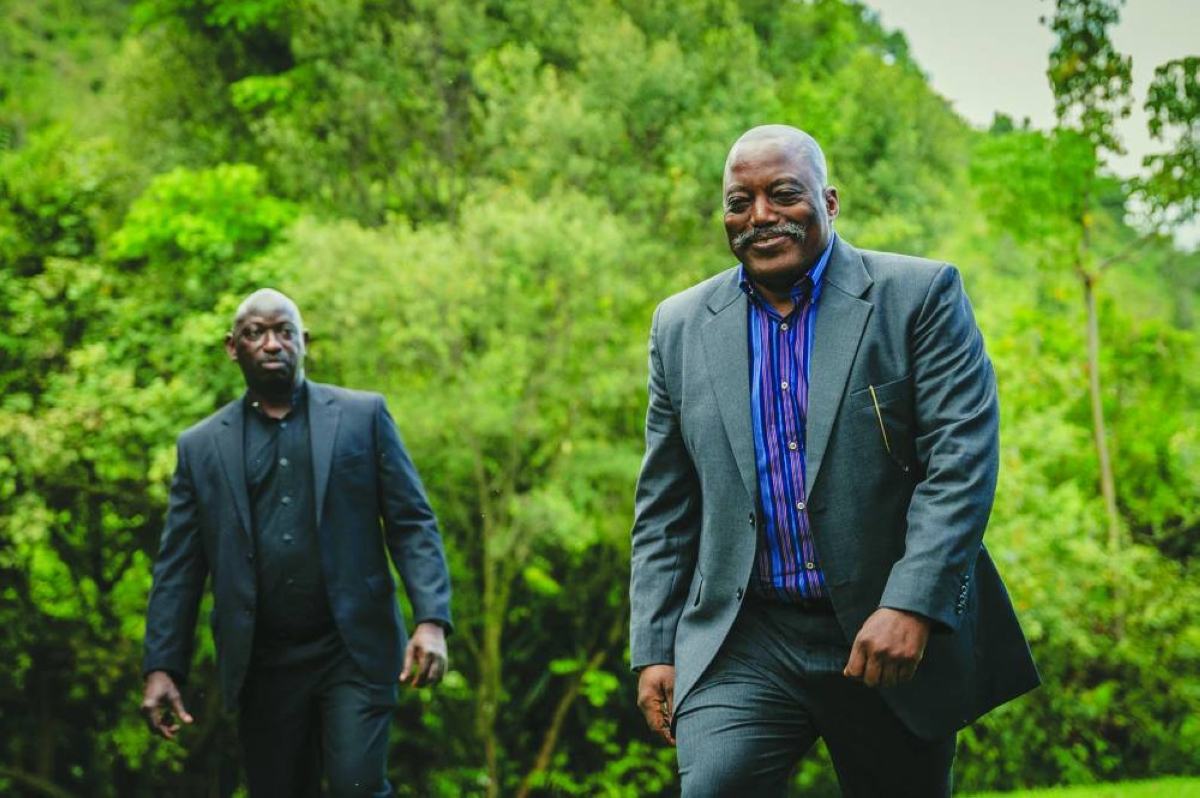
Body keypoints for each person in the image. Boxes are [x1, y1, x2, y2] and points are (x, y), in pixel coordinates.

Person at [628, 125, 1039, 796]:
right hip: (744, 637)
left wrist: (912, 605)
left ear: (829, 201)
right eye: (739, 202)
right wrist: (653, 646)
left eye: (783, 193)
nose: (760, 216)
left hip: (884, 634)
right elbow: (665, 504)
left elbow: (960, 463)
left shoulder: (919, 297)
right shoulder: (678, 327)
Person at [141, 289, 453, 798]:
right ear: (232, 347)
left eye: (284, 332)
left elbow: (412, 522)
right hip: (261, 663)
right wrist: (161, 666)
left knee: (357, 787)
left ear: (304, 341)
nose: (271, 343)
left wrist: (431, 620)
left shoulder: (363, 417)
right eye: (255, 333)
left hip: (353, 650)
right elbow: (178, 567)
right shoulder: (200, 447)